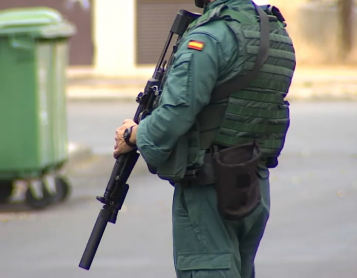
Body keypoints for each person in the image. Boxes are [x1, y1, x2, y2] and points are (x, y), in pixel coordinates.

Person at [113, 0, 296, 277]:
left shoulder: (208, 36)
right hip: (252, 184)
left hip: (209, 188)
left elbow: (176, 112)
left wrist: (135, 134)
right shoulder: (274, 32)